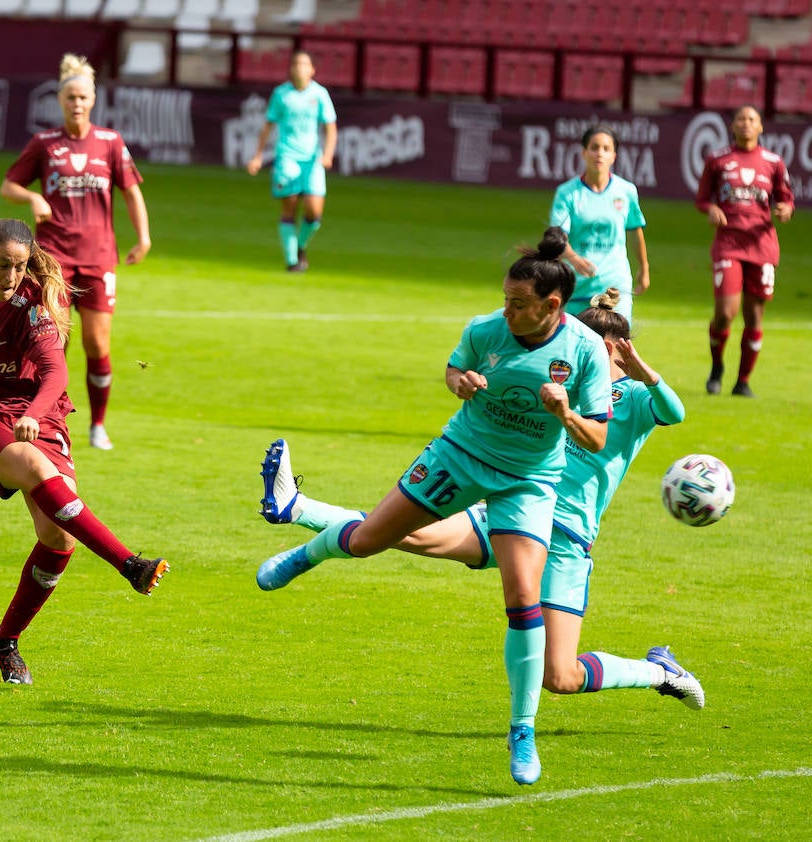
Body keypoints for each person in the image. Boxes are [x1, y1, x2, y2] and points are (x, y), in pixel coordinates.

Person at [257, 290, 705, 743]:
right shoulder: (555, 381)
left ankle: (657, 672)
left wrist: (646, 372)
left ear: (611, 349)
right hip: (514, 510)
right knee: (409, 534)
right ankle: (296, 507)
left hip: (566, 537)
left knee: (561, 676)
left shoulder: (630, 399)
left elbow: (674, 411)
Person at [255, 228, 612, 785]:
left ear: (553, 306)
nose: (508, 312)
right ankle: (310, 552)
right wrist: (460, 382)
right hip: (461, 455)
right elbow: (452, 369)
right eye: (505, 301)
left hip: (529, 479)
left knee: (522, 593)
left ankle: (522, 730)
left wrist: (566, 414)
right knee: (372, 538)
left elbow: (596, 439)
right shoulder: (484, 330)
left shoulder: (586, 351)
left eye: (520, 305)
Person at [0, 218, 167, 686]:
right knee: (32, 464)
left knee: (59, 538)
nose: (11, 277)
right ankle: (129, 563)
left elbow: (56, 374)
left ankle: (4, 640)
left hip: (36, 415)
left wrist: (34, 414)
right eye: (2, 265)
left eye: (20, 267)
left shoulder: (36, 306)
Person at [0, 53, 151, 451]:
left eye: (83, 97)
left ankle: (98, 424)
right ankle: (44, 416)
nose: (77, 104)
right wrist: (32, 198)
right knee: (54, 342)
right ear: (61, 101)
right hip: (53, 260)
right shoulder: (45, 144)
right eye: (70, 98)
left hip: (100, 256)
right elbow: (8, 186)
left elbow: (132, 192)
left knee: (98, 344)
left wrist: (144, 237)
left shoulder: (110, 143)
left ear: (93, 100)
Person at [694, 105, 795, 398]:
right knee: (725, 313)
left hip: (761, 246)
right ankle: (716, 368)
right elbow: (702, 199)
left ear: (761, 126)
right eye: (741, 119)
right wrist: (711, 208)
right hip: (728, 243)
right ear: (733, 125)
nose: (746, 124)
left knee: (754, 317)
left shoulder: (774, 162)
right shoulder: (718, 160)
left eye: (752, 119)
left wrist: (785, 209)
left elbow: (786, 198)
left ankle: (743, 381)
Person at [245, 50, 338, 273]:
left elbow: (330, 127)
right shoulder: (281, 94)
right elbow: (268, 126)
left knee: (314, 213)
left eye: (304, 64)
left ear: (312, 70)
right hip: (287, 158)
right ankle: (291, 261)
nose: (299, 68)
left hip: (312, 159)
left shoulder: (320, 94)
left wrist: (328, 154)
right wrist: (257, 156)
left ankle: (300, 245)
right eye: (296, 64)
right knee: (290, 208)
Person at [549, 125, 649, 323]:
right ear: (584, 153)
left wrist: (644, 269)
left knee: (616, 346)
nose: (599, 154)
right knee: (576, 351)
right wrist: (574, 259)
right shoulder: (567, 193)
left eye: (606, 148)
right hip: (578, 286)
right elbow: (557, 237)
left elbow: (635, 231)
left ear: (614, 156)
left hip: (615, 285)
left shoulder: (626, 191)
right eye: (594, 148)